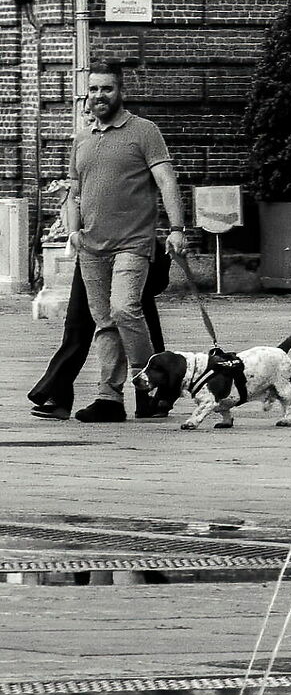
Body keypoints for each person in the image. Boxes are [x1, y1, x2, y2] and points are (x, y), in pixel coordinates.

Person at [61, 62, 191, 425]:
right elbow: (74, 192)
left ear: (120, 92)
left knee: (124, 308)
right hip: (91, 247)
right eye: (94, 89)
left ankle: (152, 384)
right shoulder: (83, 138)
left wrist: (177, 228)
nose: (99, 96)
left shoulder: (143, 132)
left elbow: (166, 181)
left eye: (107, 89)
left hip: (133, 243)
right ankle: (109, 398)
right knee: (104, 323)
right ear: (87, 94)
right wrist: (73, 231)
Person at [29, 236, 168, 421]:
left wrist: (176, 229)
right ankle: (59, 391)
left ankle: (153, 394)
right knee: (78, 321)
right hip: (92, 241)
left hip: (133, 239)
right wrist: (73, 231)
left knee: (131, 312)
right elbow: (72, 205)